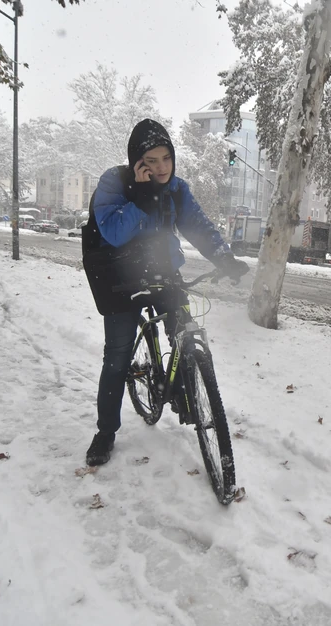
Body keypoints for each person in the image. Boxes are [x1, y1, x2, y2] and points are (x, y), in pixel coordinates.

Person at [84, 119, 248, 466]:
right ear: (136, 160)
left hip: (163, 272)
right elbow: (112, 231)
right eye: (151, 160)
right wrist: (142, 198)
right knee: (116, 358)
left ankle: (185, 382)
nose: (161, 168)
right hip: (119, 279)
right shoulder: (113, 183)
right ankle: (105, 432)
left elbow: (198, 225)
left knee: (186, 333)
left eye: (166, 159)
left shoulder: (177, 190)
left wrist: (224, 257)